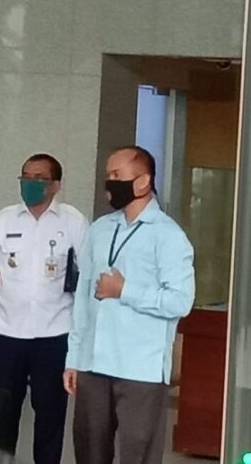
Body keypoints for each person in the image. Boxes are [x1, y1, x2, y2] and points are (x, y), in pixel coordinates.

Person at [63, 146, 195, 464]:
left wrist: (125, 290)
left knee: (138, 453)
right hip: (93, 363)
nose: (109, 182)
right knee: (89, 450)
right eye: (108, 175)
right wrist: (74, 358)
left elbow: (181, 301)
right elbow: (82, 298)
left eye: (117, 175)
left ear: (143, 182)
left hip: (140, 367)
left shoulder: (168, 235)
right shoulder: (100, 229)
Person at [0, 153, 89, 464]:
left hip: (54, 334)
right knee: (1, 413)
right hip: (5, 333)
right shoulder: (4, 219)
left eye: (39, 178)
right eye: (25, 177)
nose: (30, 183)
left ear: (56, 185)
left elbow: (87, 276)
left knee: (50, 414)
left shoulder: (73, 222)